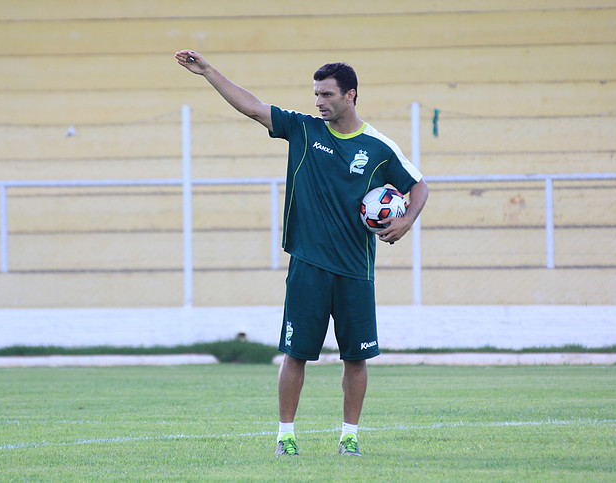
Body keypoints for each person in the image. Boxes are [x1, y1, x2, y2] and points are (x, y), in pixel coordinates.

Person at [175, 49, 428, 457]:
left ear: (351, 95)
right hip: (308, 265)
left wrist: (406, 221)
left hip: (355, 270)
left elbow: (419, 185)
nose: (319, 102)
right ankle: (285, 436)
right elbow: (253, 107)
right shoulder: (304, 129)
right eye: (315, 94)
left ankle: (349, 436)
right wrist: (207, 72)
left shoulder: (378, 147)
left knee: (356, 359)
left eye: (327, 94)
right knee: (295, 355)